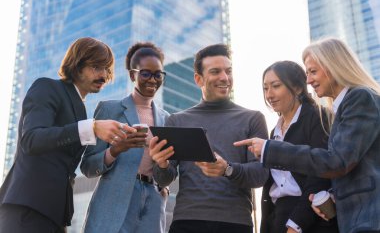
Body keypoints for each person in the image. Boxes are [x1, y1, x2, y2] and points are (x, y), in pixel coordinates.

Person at [235, 38, 380, 233]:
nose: (309, 80)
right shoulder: (342, 109)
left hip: (367, 217)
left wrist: (270, 149)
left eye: (313, 72)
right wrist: (330, 196)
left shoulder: (358, 98)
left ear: (333, 66)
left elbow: (338, 161)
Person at [0, 37, 135, 233]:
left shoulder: (80, 109)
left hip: (54, 215)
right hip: (27, 208)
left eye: (107, 69)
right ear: (77, 64)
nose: (104, 75)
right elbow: (31, 139)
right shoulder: (47, 87)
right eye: (97, 66)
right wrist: (93, 127)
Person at [149, 43, 269, 233]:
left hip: (235, 223)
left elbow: (260, 175)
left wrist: (228, 169)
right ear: (198, 79)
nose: (224, 77)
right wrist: (161, 164)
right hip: (187, 222)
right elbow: (164, 179)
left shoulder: (253, 119)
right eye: (215, 71)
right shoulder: (177, 120)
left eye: (228, 71)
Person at [80, 42, 170, 233]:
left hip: (152, 205)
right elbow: (88, 166)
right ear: (132, 75)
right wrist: (115, 150)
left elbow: (168, 175)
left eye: (158, 74)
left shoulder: (167, 119)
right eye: (145, 73)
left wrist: (162, 168)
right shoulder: (109, 109)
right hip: (114, 200)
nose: (152, 80)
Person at [259, 61, 338, 233]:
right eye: (265, 88)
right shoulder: (275, 132)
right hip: (278, 217)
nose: (269, 94)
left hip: (311, 219)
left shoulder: (318, 116)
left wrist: (296, 224)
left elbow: (320, 174)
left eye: (276, 86)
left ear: (297, 88)